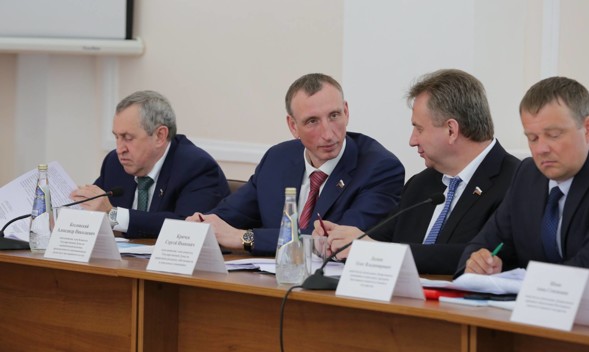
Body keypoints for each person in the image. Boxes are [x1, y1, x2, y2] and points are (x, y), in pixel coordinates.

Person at [316, 69, 519, 274]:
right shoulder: (420, 185)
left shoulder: (516, 183)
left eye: (419, 129)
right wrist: (341, 239)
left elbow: (474, 256)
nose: (412, 141)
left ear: (451, 130)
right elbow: (378, 241)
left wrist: (376, 249)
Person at [186, 73, 405, 255]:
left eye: (334, 115)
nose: (328, 134)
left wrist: (244, 238)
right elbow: (228, 216)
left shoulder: (379, 168)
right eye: (312, 121)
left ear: (346, 112)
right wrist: (203, 224)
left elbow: (333, 241)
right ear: (293, 126)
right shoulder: (278, 159)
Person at [459, 76, 589, 284]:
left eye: (553, 135)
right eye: (532, 138)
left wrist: (526, 285)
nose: (541, 149)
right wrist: (479, 263)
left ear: (588, 128)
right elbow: (485, 243)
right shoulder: (527, 174)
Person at [70, 90, 230, 238]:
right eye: (116, 137)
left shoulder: (196, 167)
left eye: (128, 138)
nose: (119, 149)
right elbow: (96, 209)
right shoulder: (115, 163)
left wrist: (113, 215)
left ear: (160, 136)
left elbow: (187, 226)